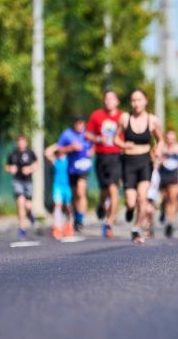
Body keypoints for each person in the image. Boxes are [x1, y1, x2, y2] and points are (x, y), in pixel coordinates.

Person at [115, 89, 164, 243]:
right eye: (133, 100)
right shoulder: (124, 118)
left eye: (139, 100)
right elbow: (115, 139)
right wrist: (124, 144)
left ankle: (136, 228)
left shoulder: (152, 120)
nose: (136, 104)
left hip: (144, 161)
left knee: (142, 197)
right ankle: (130, 210)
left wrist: (157, 149)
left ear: (145, 101)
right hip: (128, 162)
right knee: (131, 202)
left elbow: (160, 139)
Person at [86, 90, 123, 238]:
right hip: (101, 156)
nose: (109, 101)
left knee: (114, 189)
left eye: (112, 98)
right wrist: (97, 139)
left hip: (116, 156)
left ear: (117, 101)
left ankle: (109, 222)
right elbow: (88, 134)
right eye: (106, 98)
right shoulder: (96, 115)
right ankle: (101, 204)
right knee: (104, 191)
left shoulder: (123, 117)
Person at [50, 116, 93, 232]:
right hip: (72, 168)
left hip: (84, 167)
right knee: (74, 194)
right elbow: (58, 150)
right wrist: (71, 148)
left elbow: (95, 145)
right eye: (78, 124)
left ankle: (80, 218)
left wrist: (91, 152)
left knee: (80, 191)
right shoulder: (67, 134)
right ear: (74, 124)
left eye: (82, 123)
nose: (80, 126)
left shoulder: (87, 134)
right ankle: (75, 216)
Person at [5, 134, 39, 240]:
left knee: (28, 205)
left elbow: (37, 163)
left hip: (28, 182)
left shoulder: (30, 152)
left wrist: (30, 168)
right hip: (17, 181)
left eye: (23, 141)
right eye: (19, 141)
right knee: (20, 203)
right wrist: (10, 168)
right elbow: (6, 166)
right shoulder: (13, 153)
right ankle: (22, 228)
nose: (21, 143)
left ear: (26, 142)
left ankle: (30, 215)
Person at [157, 128, 178, 237]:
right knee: (165, 199)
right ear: (166, 139)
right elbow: (154, 156)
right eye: (168, 138)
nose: (170, 141)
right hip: (163, 175)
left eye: (172, 139)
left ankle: (170, 221)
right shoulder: (161, 147)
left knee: (173, 198)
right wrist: (159, 161)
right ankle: (163, 212)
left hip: (174, 175)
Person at [43, 145, 73, 240]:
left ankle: (68, 226)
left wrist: (66, 147)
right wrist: (57, 145)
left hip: (67, 186)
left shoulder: (69, 160)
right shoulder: (56, 161)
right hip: (58, 187)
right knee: (58, 206)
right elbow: (46, 153)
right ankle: (57, 228)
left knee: (68, 207)